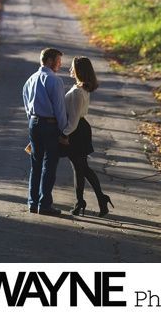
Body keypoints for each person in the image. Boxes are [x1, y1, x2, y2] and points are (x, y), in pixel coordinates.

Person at [60, 57, 113, 217]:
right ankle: (90, 200)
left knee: (80, 168)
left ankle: (85, 201)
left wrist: (64, 134)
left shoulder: (78, 91)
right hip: (79, 128)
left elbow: (74, 119)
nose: (70, 70)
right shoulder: (81, 87)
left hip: (77, 131)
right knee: (80, 168)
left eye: (72, 67)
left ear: (79, 71)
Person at [22, 47, 70, 216]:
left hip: (34, 123)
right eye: (58, 61)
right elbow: (59, 109)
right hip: (50, 124)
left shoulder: (31, 79)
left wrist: (32, 122)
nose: (60, 64)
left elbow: (26, 103)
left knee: (35, 164)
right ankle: (45, 204)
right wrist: (64, 132)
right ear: (49, 61)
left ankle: (32, 202)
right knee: (49, 165)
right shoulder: (54, 80)